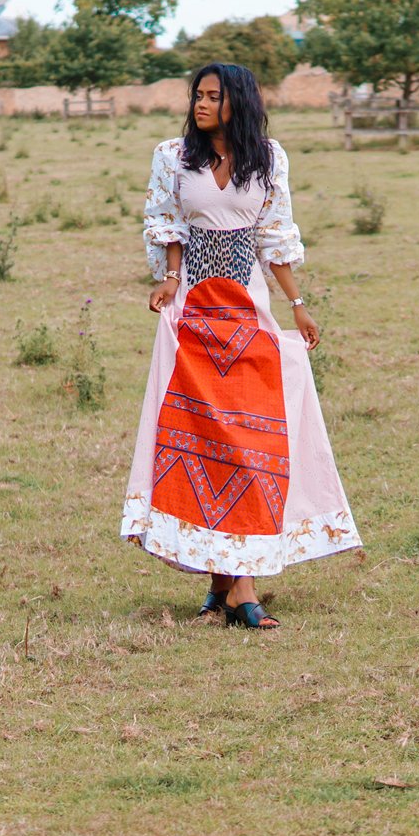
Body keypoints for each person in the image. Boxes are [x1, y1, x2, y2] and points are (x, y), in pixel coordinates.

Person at [121, 62, 361, 629]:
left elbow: (275, 234)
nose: (200, 105)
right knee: (204, 442)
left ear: (238, 102)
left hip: (250, 312)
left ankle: (227, 587)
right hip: (193, 315)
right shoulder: (172, 156)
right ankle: (236, 590)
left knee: (252, 444)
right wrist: (168, 278)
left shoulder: (269, 159)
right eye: (197, 96)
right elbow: (167, 221)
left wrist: (297, 305)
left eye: (212, 97)